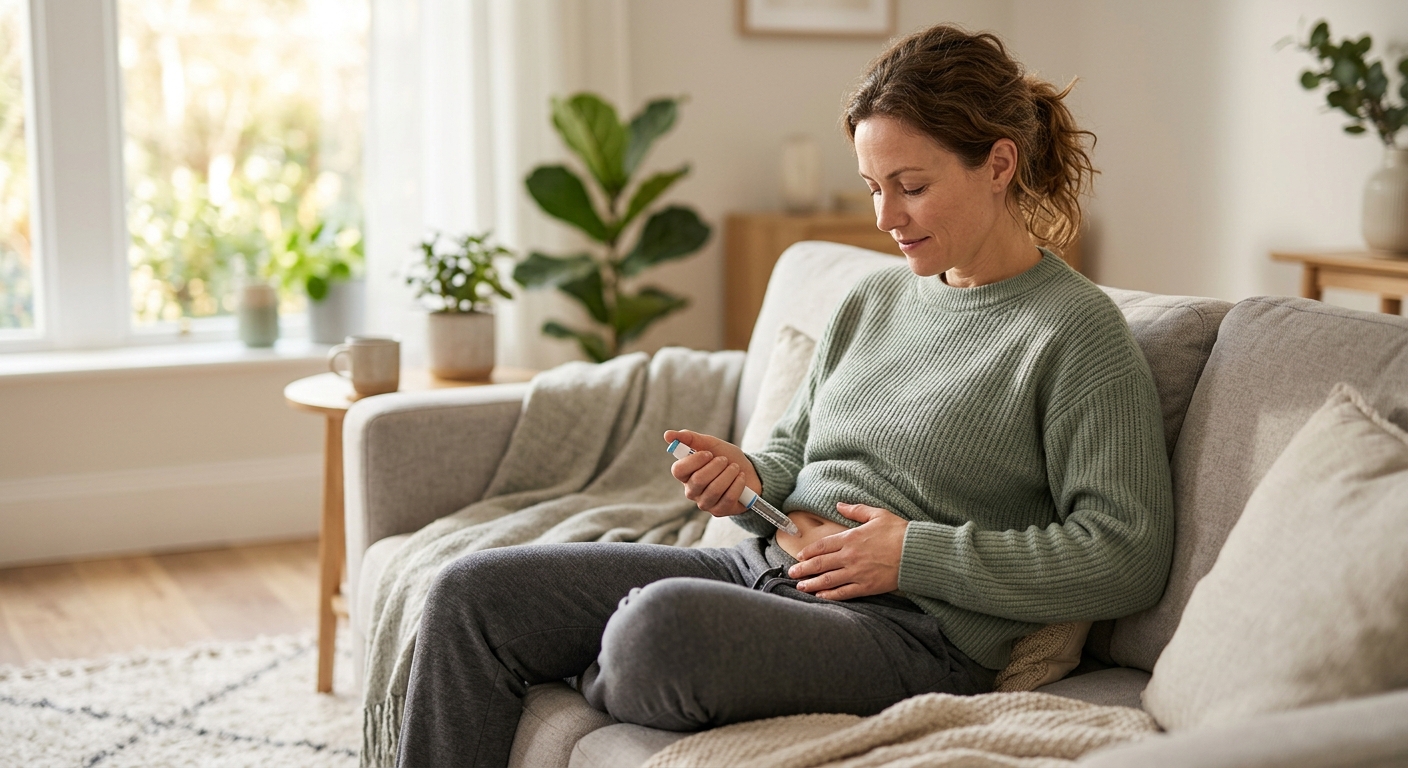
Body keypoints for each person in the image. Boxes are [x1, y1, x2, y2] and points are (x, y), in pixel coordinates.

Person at [396, 23, 1174, 767]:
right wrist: (748, 481)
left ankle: (612, 658)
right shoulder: (873, 300)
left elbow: (1127, 553)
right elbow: (793, 452)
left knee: (654, 634)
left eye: (911, 186)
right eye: (873, 187)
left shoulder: (1076, 333)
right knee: (471, 593)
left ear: (998, 164)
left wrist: (914, 555)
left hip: (906, 633)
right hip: (765, 570)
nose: (885, 218)